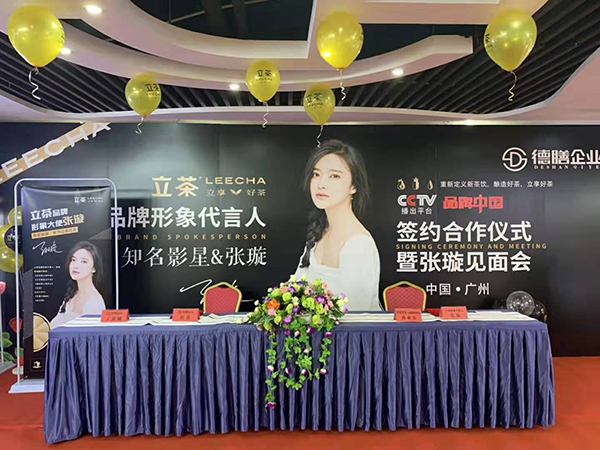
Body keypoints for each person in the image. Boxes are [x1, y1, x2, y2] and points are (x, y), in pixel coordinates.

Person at [294, 140, 381, 311]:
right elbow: (295, 289)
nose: (321, 184)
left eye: (334, 176)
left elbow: (355, 314)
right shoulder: (319, 234)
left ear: (354, 186)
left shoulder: (359, 244)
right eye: (316, 174)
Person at [50, 241, 105, 328]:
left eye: (84, 261)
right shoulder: (72, 295)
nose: (76, 265)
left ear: (94, 268)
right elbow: (54, 325)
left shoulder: (95, 302)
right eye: (73, 260)